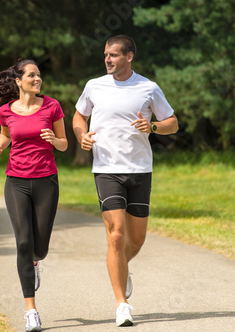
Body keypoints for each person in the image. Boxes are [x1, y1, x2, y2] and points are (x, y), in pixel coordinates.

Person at [73, 35, 178, 327]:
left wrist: (153, 125)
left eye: (114, 55)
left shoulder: (148, 87)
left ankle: (120, 267)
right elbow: (79, 116)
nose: (108, 59)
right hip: (106, 169)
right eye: (106, 54)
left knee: (137, 239)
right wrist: (82, 136)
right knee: (116, 235)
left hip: (140, 169)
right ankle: (122, 305)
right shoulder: (94, 86)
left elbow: (172, 122)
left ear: (129, 57)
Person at [0, 59, 68, 332]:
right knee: (23, 242)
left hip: (46, 180)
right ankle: (31, 312)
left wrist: (54, 141)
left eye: (39, 75)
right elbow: (5, 135)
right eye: (32, 75)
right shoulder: (6, 110)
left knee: (39, 247)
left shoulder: (52, 106)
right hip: (16, 182)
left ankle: (34, 263)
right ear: (19, 81)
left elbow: (65, 144)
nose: (37, 78)